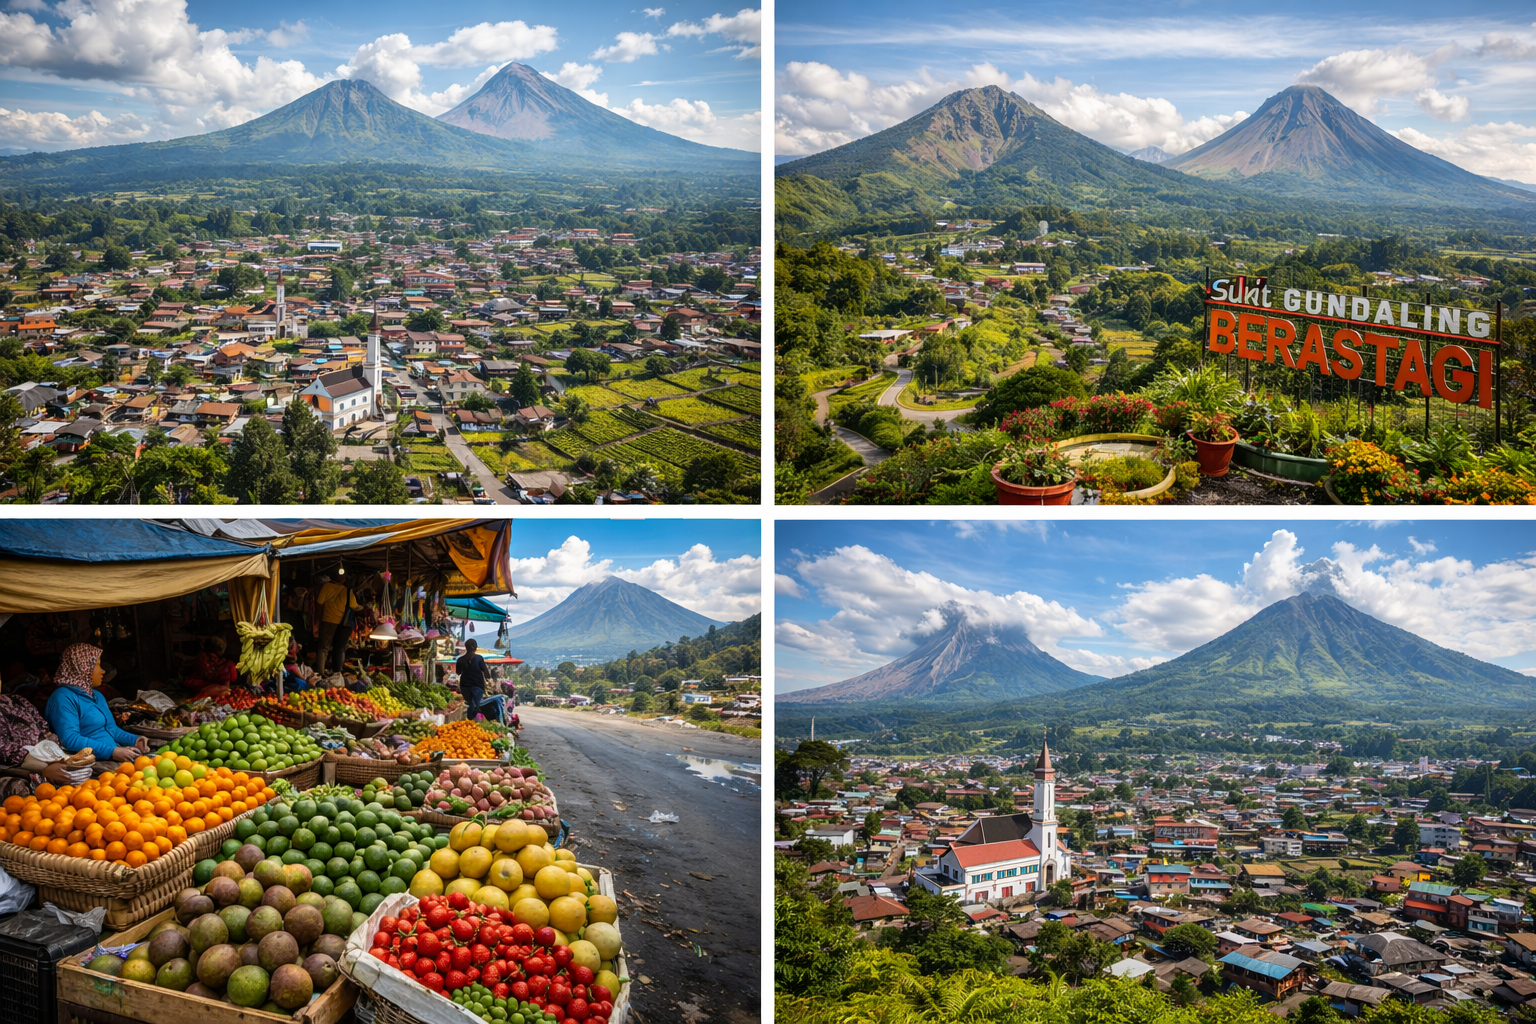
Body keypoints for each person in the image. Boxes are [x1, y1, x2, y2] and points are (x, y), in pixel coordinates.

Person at [45, 644, 149, 764]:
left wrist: (135, 740)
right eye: (97, 665)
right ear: (83, 667)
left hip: (111, 756)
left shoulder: (97, 695)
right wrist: (111, 752)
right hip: (87, 764)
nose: (103, 671)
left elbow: (111, 729)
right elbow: (70, 739)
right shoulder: (63, 697)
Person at [0, 693, 80, 798]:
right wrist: (43, 766)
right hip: (15, 766)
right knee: (18, 791)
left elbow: (43, 728)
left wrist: (50, 752)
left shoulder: (18, 700)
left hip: (45, 754)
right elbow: (4, 750)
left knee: (82, 773)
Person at [315, 574, 361, 674]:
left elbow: (319, 602)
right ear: (343, 579)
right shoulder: (348, 591)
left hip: (328, 620)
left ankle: (321, 672)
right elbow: (355, 607)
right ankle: (337, 672)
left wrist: (318, 618)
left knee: (324, 648)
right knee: (340, 648)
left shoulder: (327, 586)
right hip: (344, 624)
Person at [455, 639, 488, 718]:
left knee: (470, 704)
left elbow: (458, 672)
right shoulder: (479, 658)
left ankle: (469, 720)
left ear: (466, 647)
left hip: (465, 687)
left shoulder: (460, 660)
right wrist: (488, 680)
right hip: (477, 687)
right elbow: (486, 672)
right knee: (475, 706)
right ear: (475, 648)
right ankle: (472, 720)